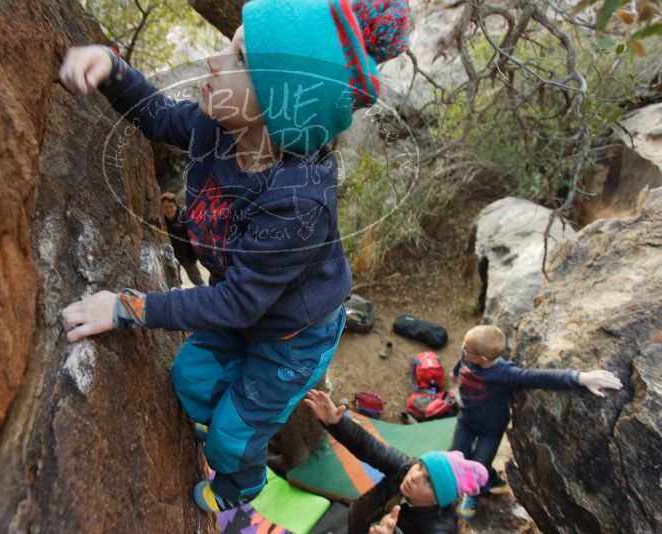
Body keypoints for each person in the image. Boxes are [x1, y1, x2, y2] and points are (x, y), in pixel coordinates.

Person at [58, 0, 410, 514]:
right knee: (191, 383)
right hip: (246, 305)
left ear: (281, 104)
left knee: (231, 438)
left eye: (240, 59)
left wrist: (128, 308)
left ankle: (240, 485)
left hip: (294, 338)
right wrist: (113, 70)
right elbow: (158, 118)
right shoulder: (217, 125)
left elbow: (239, 304)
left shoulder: (297, 200)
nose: (215, 62)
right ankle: (232, 421)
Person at [451, 324, 623, 520]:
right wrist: (455, 371)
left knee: (478, 465)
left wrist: (580, 378)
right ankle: (490, 479)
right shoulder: (469, 357)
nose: (463, 351)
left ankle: (473, 492)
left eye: (466, 349)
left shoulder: (504, 374)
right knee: (456, 454)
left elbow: (540, 377)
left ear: (482, 358)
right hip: (465, 420)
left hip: (490, 429)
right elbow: (461, 360)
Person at [303, 390, 488, 534]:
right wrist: (336, 423)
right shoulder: (406, 468)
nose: (415, 476)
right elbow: (370, 447)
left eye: (428, 481)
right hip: (358, 524)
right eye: (421, 466)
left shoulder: (437, 528)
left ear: (437, 500)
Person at [160, 192, 205, 287]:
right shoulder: (162, 221)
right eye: (166, 207)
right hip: (173, 257)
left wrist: (194, 256)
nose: (169, 210)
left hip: (188, 256)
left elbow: (195, 237)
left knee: (198, 281)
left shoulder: (185, 217)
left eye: (171, 206)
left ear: (175, 206)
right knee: (175, 283)